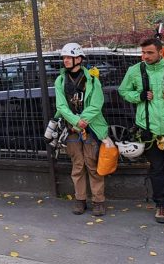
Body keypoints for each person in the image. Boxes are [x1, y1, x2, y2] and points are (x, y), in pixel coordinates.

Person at [119, 37, 164, 225]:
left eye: (150, 52)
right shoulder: (134, 71)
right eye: (143, 53)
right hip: (149, 130)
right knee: (157, 169)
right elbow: (124, 91)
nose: (145, 56)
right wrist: (139, 96)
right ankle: (161, 205)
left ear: (160, 52)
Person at [54, 43, 109, 216]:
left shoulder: (92, 79)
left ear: (79, 59)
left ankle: (98, 201)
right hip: (72, 130)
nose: (65, 60)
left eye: (68, 57)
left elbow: (97, 103)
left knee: (92, 165)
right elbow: (61, 105)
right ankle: (80, 200)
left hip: (91, 128)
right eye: (64, 58)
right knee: (77, 166)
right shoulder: (60, 80)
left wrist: (84, 120)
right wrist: (77, 122)